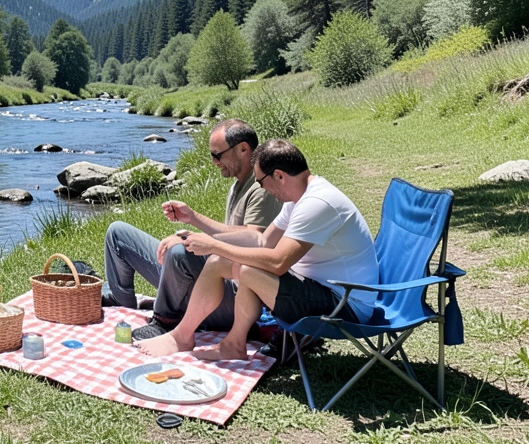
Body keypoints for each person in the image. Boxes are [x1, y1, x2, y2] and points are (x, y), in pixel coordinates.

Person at [136, 139, 380, 361]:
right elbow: (262, 241)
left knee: (249, 270)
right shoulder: (300, 197)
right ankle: (184, 336)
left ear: (279, 176)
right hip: (321, 290)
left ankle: (233, 344)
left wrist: (213, 245)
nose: (263, 189)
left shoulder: (317, 204)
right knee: (219, 261)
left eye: (261, 181)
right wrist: (195, 221)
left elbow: (277, 262)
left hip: (346, 305)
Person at [103, 119, 283, 339]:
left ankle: (164, 320)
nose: (213, 161)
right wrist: (191, 222)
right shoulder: (239, 184)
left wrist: (191, 238)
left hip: (236, 299)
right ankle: (124, 307)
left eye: (217, 155)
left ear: (243, 149)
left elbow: (256, 239)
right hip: (214, 279)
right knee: (118, 233)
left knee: (181, 253)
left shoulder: (261, 186)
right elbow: (232, 234)